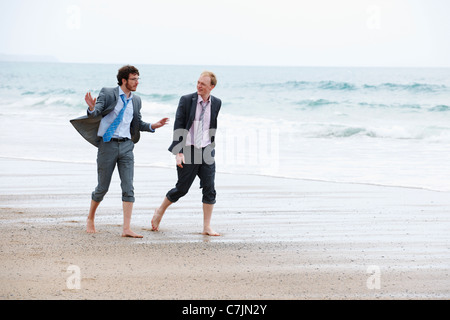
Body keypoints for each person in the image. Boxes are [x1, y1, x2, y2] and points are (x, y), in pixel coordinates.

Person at [70, 65, 169, 238]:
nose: (137, 82)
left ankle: (126, 228)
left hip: (126, 147)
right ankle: (90, 218)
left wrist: (153, 126)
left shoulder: (136, 100)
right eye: (133, 79)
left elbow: (137, 124)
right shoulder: (108, 93)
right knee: (102, 188)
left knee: (128, 187)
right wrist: (92, 108)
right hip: (107, 145)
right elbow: (97, 113)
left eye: (138, 79)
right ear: (124, 80)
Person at [151, 71, 222, 236]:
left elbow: (212, 125)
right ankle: (160, 210)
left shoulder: (217, 103)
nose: (199, 86)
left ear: (211, 87)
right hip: (188, 149)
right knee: (182, 188)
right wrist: (178, 152)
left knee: (209, 188)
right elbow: (179, 126)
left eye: (203, 84)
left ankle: (206, 226)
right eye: (198, 83)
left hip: (206, 150)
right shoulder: (186, 100)